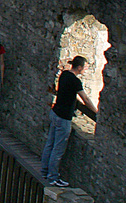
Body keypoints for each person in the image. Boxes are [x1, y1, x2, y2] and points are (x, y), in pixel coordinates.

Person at [41, 56, 96, 187]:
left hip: (55, 113)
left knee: (50, 143)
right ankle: (53, 177)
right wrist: (96, 113)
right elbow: (85, 99)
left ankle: (44, 171)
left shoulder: (64, 75)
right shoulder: (75, 81)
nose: (86, 70)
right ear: (80, 67)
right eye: (86, 68)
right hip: (64, 117)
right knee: (58, 149)